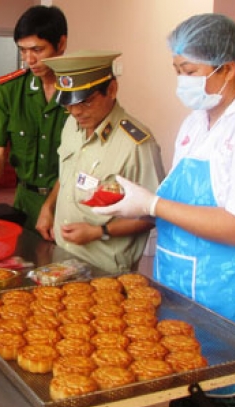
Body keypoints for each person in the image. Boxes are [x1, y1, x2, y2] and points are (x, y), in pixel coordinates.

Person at [94, 14, 235, 407]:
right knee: (186, 403)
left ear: (227, 68)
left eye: (189, 71)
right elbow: (185, 203)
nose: (181, 82)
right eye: (177, 71)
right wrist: (125, 206)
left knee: (226, 406)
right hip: (184, 299)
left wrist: (151, 205)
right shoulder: (196, 123)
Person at [40, 50, 164, 274]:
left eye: (86, 102)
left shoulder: (136, 144)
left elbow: (152, 215)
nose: (76, 111)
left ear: (112, 90)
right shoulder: (72, 125)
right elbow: (69, 174)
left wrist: (99, 231)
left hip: (104, 270)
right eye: (68, 103)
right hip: (63, 256)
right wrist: (48, 207)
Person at [0, 5, 69, 234]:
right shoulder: (11, 90)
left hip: (67, 202)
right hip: (24, 201)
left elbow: (79, 162)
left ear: (61, 44)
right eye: (23, 51)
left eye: (37, 49)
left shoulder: (79, 92)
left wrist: (51, 205)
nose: (29, 59)